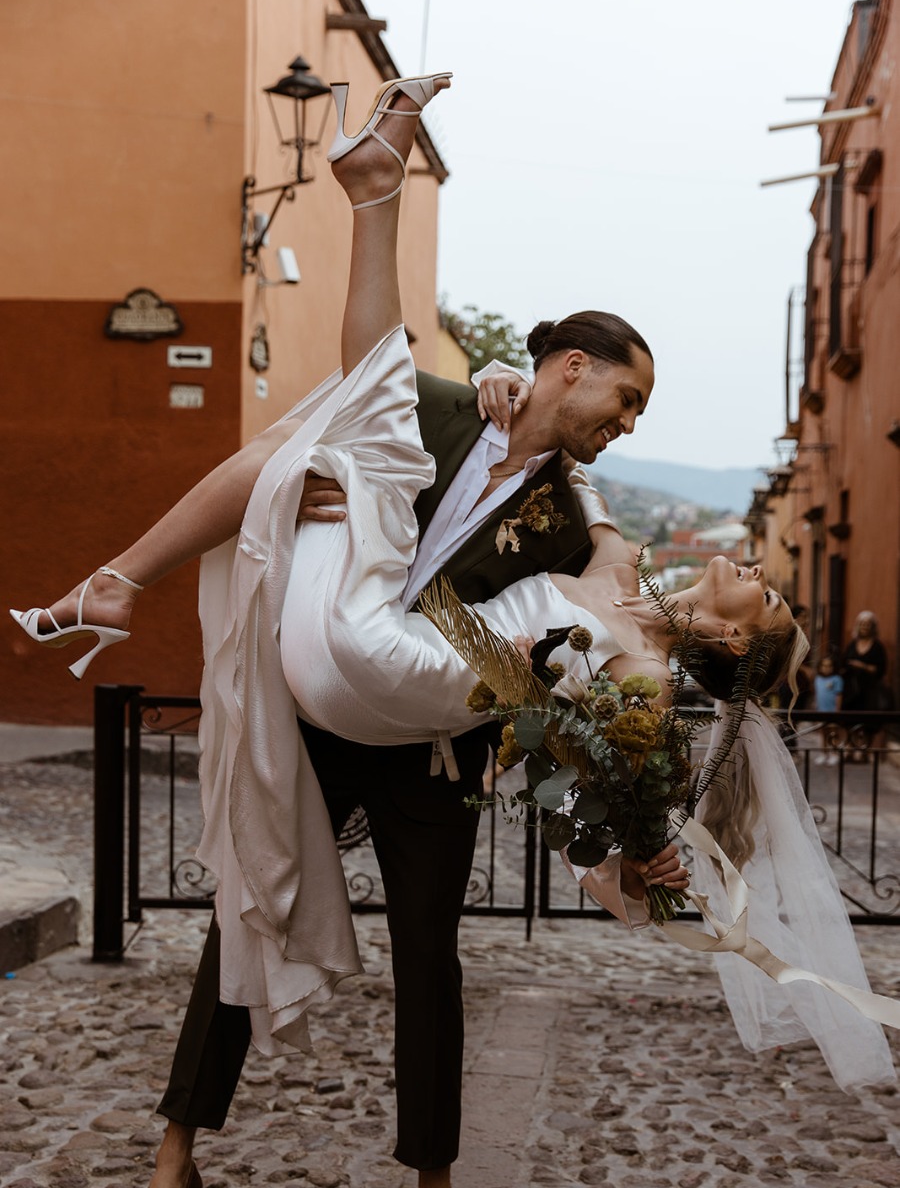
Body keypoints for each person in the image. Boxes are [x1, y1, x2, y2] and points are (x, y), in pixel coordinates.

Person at [11, 74, 894, 1185]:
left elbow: (587, 653)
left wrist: (629, 825)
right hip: (321, 699)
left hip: (433, 747)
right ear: (567, 369)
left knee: (430, 955)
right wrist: (303, 492)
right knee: (247, 907)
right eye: (623, 403)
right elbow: (283, 472)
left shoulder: (575, 520)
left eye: (638, 422)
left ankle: (431, 1170)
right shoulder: (427, 409)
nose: (626, 427)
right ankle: (177, 1144)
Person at [842, 610, 891, 758]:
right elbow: (843, 663)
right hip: (852, 689)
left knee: (866, 719)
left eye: (867, 624)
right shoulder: (852, 644)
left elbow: (881, 669)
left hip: (869, 689)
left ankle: (863, 750)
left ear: (873, 627)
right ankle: (850, 746)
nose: (864, 627)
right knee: (850, 718)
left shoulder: (877, 646)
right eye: (862, 623)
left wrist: (861, 666)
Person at [813, 654, 843, 765]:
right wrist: (815, 707)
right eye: (824, 666)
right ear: (820, 667)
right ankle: (823, 754)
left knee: (833, 733)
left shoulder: (837, 679)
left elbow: (839, 695)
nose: (826, 668)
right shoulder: (818, 679)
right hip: (821, 711)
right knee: (823, 734)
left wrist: (837, 711)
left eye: (829, 666)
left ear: (833, 667)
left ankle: (834, 754)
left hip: (832, 711)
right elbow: (817, 695)